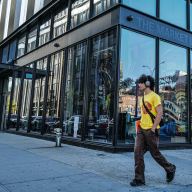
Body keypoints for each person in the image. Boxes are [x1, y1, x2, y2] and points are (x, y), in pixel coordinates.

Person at [130, 74, 176, 187]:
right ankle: (139, 179)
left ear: (147, 84)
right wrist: (139, 124)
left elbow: (160, 113)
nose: (139, 85)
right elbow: (144, 114)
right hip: (141, 128)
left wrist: (154, 128)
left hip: (151, 130)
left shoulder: (155, 96)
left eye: (140, 83)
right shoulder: (143, 98)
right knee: (137, 153)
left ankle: (170, 168)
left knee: (155, 153)